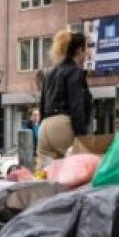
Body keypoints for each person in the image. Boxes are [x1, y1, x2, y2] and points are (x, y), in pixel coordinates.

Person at [38, 30, 93, 166]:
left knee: (44, 172)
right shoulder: (75, 72)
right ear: (80, 50)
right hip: (63, 125)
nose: (88, 53)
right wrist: (82, 137)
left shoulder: (50, 73)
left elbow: (42, 103)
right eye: (87, 48)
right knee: (80, 168)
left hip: (45, 127)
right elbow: (76, 105)